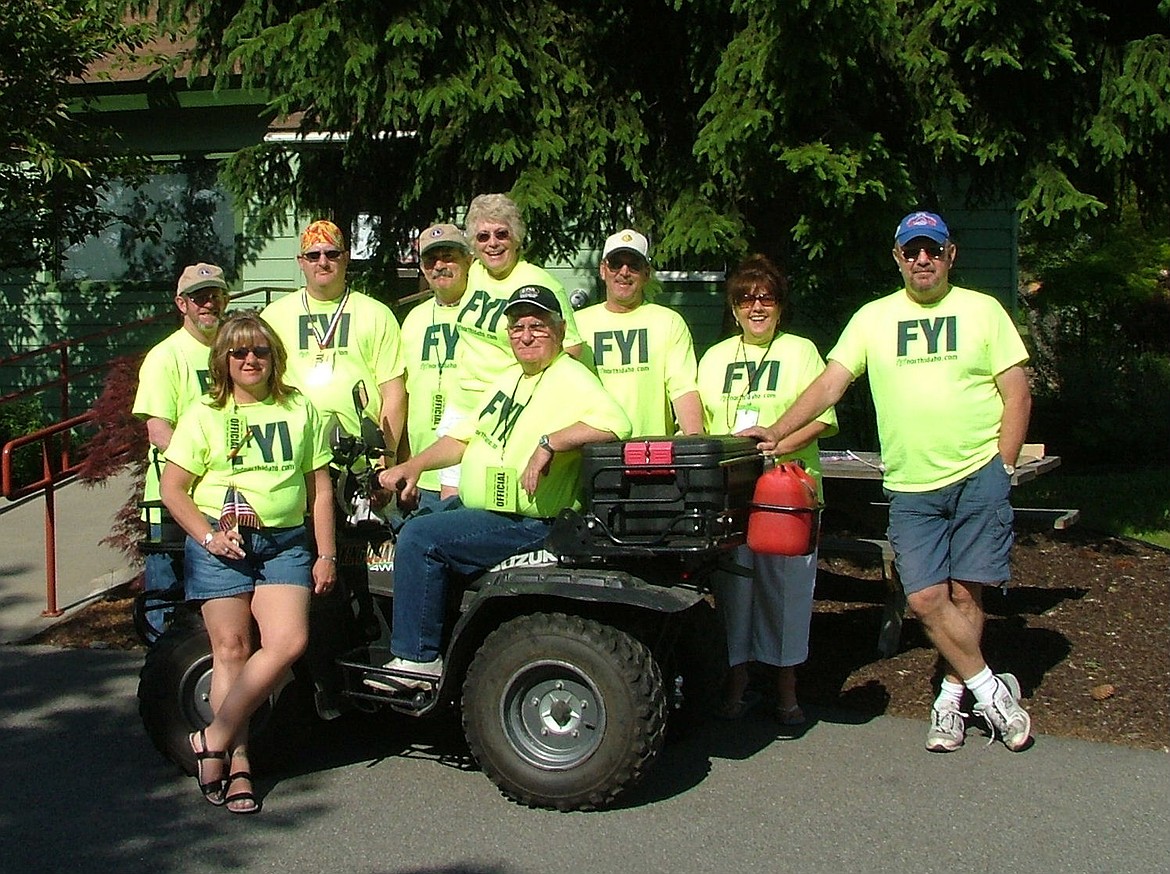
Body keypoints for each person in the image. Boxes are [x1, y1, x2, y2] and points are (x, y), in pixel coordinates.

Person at [742, 211, 1034, 752]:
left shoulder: (983, 311)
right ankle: (991, 690)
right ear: (897, 257)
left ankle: (950, 697)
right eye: (912, 251)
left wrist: (1005, 466)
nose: (922, 260)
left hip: (979, 473)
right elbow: (831, 384)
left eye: (932, 250)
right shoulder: (873, 319)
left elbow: (1016, 392)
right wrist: (779, 430)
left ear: (950, 256)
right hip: (912, 484)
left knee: (967, 595)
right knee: (925, 598)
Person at [365, 285, 631, 689]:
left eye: (538, 327)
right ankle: (444, 638)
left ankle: (418, 659)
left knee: (421, 537)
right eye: (517, 326)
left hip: (528, 522)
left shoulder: (573, 377)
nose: (525, 335)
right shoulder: (508, 378)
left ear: (559, 331)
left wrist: (550, 444)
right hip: (485, 511)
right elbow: (463, 438)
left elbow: (616, 425)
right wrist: (413, 466)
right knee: (412, 524)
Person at [160, 311, 336, 814]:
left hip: (286, 545)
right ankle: (238, 764)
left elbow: (318, 489)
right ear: (224, 360)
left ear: (274, 356)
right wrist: (209, 537)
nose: (250, 359)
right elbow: (174, 489)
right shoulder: (204, 413)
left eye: (259, 350)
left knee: (288, 642)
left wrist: (325, 554)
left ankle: (211, 735)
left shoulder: (299, 408)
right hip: (226, 546)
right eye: (238, 352)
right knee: (231, 652)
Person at [697, 254, 837, 724]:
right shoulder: (714, 358)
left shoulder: (800, 351)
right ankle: (737, 678)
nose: (757, 308)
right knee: (736, 586)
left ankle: (786, 686)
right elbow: (706, 427)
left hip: (788, 491)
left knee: (786, 589)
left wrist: (776, 447)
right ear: (733, 308)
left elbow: (821, 418)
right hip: (735, 492)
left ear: (780, 306)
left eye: (767, 298)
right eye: (746, 299)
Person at [438, 194, 586, 500]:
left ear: (516, 238)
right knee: (450, 504)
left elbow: (571, 348)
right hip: (462, 404)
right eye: (483, 236)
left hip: (505, 411)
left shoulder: (540, 283)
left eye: (501, 234)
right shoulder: (474, 274)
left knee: (494, 502)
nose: (492, 243)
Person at [132, 262, 229, 635]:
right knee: (167, 608)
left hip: (221, 498)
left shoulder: (232, 351)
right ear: (181, 304)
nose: (208, 304)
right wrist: (202, 470)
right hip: (171, 501)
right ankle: (163, 686)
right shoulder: (165, 356)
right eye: (198, 297)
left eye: (215, 296)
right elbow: (159, 430)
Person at [261, 219, 405, 458]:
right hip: (295, 453)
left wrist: (384, 457)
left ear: (345, 258)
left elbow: (394, 394)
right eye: (313, 255)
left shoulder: (377, 313)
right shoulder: (273, 316)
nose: (323, 262)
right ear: (301, 262)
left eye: (332, 253)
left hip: (361, 454)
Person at [576, 229, 703, 436]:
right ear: (602, 270)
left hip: (652, 454)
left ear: (646, 273)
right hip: (592, 452)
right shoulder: (578, 325)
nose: (624, 272)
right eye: (616, 264)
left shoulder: (668, 322)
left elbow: (683, 388)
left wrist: (695, 440)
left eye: (633, 265)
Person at [399, 223, 473, 506]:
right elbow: (404, 395)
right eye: (431, 259)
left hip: (472, 473)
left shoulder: (485, 312)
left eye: (449, 256)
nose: (440, 265)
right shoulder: (413, 320)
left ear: (468, 259)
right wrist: (408, 463)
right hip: (424, 475)